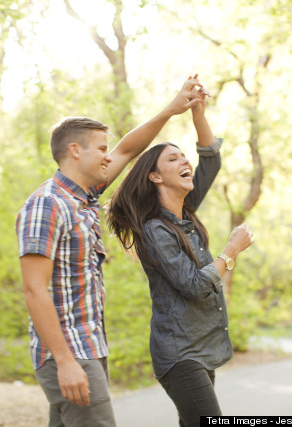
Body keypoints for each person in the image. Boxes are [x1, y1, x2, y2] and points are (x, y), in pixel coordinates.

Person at [15, 76, 207, 427]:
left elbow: (129, 149)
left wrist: (171, 109)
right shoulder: (48, 205)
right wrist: (66, 361)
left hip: (89, 347)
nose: (109, 155)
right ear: (75, 151)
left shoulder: (84, 197)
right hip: (70, 352)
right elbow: (33, 289)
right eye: (101, 148)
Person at [106, 80, 254, 427]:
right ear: (156, 176)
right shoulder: (155, 229)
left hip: (201, 348)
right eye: (173, 158)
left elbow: (210, 160)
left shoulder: (183, 213)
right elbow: (193, 285)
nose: (184, 160)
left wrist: (198, 114)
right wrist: (230, 252)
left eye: (182, 156)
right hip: (180, 355)